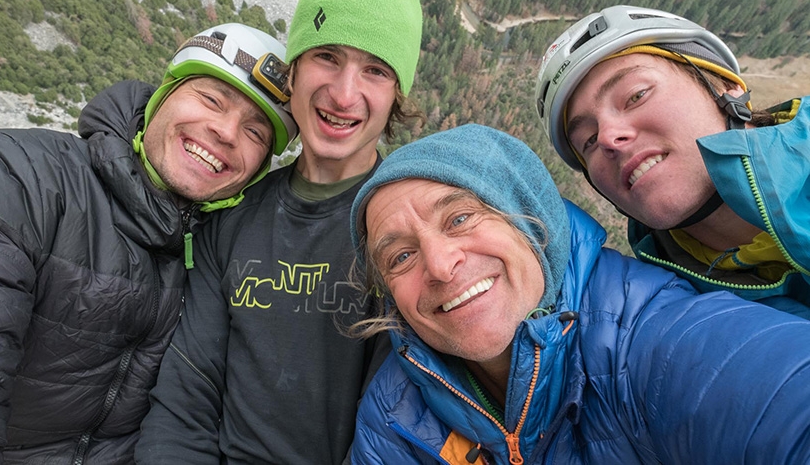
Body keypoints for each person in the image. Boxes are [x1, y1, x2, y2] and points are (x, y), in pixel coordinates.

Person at [0, 23, 297, 463]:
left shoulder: (224, 256)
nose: (227, 132)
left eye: (255, 133)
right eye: (211, 99)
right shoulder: (8, 182)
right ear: (162, 95)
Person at [347, 123, 810, 464]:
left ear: (529, 221)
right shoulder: (395, 417)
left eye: (461, 218)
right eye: (400, 257)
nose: (441, 265)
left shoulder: (644, 340)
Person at [136, 0, 424, 464]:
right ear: (293, 71)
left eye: (376, 71)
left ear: (396, 95)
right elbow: (185, 399)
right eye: (326, 57)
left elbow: (404, 423)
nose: (343, 94)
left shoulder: (411, 224)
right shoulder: (233, 218)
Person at [535, 5, 810, 316]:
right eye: (587, 140)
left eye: (637, 95)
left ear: (725, 87)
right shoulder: (665, 312)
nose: (608, 138)